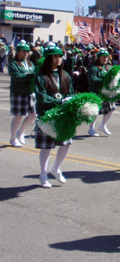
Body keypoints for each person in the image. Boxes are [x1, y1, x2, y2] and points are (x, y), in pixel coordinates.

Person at [34, 44, 73, 188]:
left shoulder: (65, 75)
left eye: (59, 56)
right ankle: (43, 174)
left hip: (62, 114)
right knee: (47, 146)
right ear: (48, 59)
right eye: (55, 57)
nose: (58, 59)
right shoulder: (41, 76)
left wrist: (69, 99)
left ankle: (56, 168)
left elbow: (70, 92)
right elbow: (41, 97)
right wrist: (58, 101)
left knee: (67, 143)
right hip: (47, 115)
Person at [8, 40, 36, 147]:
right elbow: (17, 77)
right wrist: (31, 75)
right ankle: (13, 137)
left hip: (30, 93)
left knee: (33, 115)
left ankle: (21, 132)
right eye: (23, 51)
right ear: (18, 52)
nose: (25, 53)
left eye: (27, 51)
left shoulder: (30, 64)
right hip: (18, 92)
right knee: (18, 116)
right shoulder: (13, 64)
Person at [87, 48, 114, 136]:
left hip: (106, 93)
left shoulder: (108, 67)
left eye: (107, 57)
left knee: (111, 109)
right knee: (95, 111)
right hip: (96, 92)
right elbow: (91, 80)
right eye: (103, 57)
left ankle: (103, 125)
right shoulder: (93, 68)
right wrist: (104, 81)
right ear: (99, 58)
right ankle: (91, 128)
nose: (105, 59)